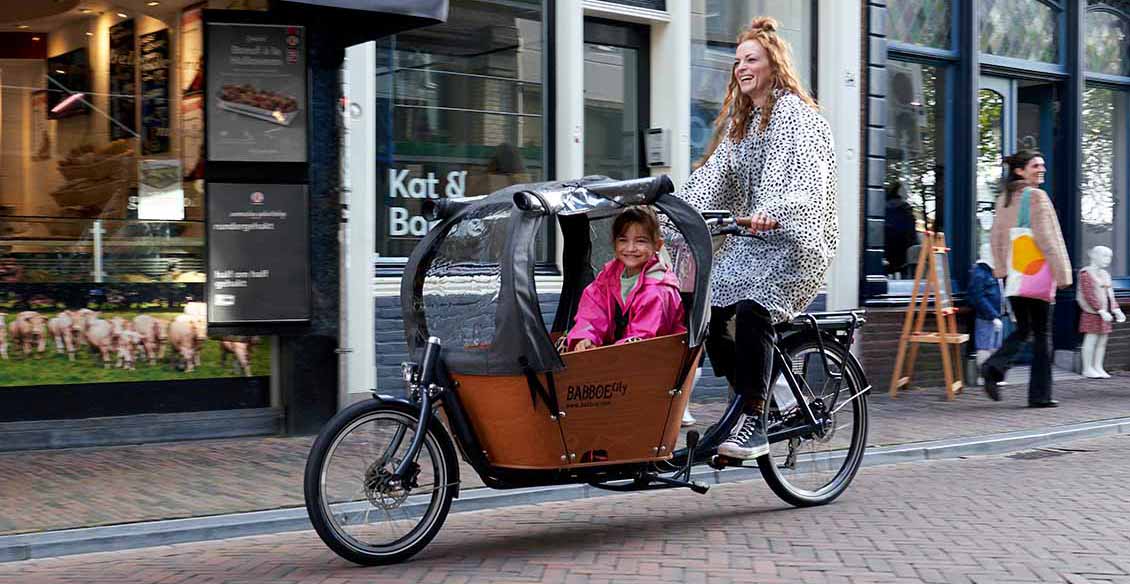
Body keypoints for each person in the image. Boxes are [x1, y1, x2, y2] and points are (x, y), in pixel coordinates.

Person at [675, 17, 838, 459]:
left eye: (751, 59)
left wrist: (774, 212)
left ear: (773, 65)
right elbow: (713, 175)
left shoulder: (798, 118)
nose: (741, 67)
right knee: (706, 313)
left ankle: (754, 417)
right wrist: (672, 210)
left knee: (751, 312)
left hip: (797, 243)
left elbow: (810, 183)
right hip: (751, 242)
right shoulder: (742, 127)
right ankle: (758, 400)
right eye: (737, 61)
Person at [981, 149, 1071, 407]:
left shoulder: (1004, 198)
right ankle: (1039, 395)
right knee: (1042, 334)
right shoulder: (1037, 197)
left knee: (1024, 329)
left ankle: (994, 367)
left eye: (1042, 165)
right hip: (1037, 274)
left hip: (1015, 276)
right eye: (1035, 166)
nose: (1041, 169)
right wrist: (1062, 272)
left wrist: (1001, 270)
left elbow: (996, 238)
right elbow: (1047, 239)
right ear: (1020, 171)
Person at [564, 206, 686, 352]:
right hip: (619, 357)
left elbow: (643, 339)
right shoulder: (608, 278)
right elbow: (592, 312)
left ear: (657, 245)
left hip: (653, 362)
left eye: (640, 241)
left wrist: (604, 356)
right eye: (623, 240)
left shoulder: (659, 289)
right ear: (615, 244)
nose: (630, 248)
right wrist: (586, 338)